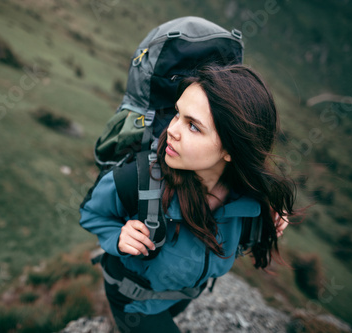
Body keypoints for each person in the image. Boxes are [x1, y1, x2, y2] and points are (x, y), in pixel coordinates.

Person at [79, 64, 295, 332]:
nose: (172, 130)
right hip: (133, 301)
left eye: (193, 126)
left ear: (231, 149)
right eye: (177, 114)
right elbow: (91, 213)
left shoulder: (250, 202)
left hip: (181, 299)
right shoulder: (137, 179)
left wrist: (269, 220)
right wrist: (117, 235)